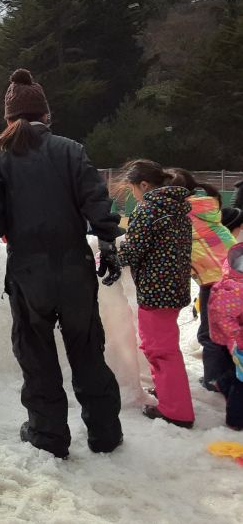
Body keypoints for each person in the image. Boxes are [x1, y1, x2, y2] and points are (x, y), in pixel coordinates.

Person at [0, 69, 123, 459]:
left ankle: (48, 435)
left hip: (28, 273)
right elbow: (96, 199)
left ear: (9, 118)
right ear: (46, 115)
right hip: (74, 266)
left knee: (36, 353)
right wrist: (108, 244)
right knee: (88, 348)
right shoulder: (70, 149)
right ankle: (105, 434)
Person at [117, 160, 194, 428]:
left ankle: (177, 411)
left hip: (156, 290)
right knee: (163, 346)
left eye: (133, 189)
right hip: (174, 287)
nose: (134, 195)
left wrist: (113, 257)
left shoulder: (150, 208)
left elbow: (133, 249)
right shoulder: (177, 207)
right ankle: (168, 392)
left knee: (160, 350)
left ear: (145, 185)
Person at [169, 168, 236, 392]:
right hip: (234, 275)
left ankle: (215, 379)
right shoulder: (205, 206)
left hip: (216, 282)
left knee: (209, 333)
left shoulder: (181, 214)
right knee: (231, 330)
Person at [207, 242, 243, 430]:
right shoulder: (235, 289)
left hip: (235, 340)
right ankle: (235, 421)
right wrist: (237, 338)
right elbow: (224, 317)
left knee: (238, 374)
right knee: (241, 382)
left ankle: (222, 382)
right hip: (236, 341)